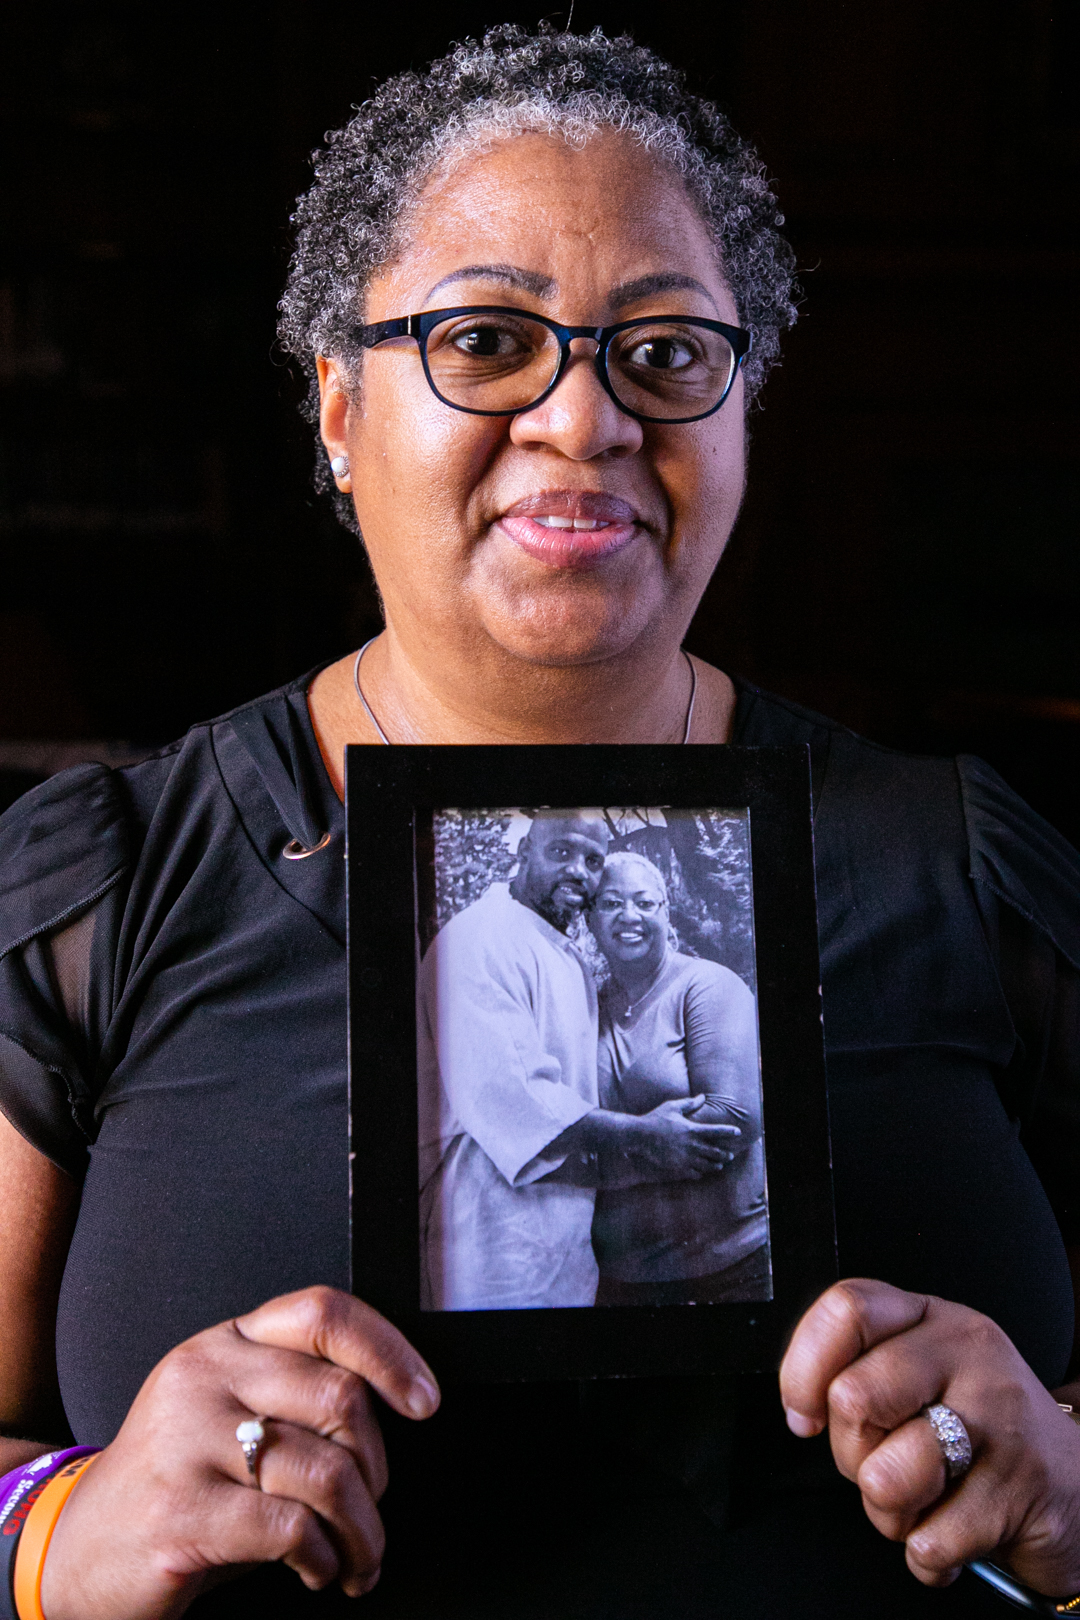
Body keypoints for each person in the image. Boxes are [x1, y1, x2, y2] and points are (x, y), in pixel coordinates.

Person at [0, 22, 1078, 1619]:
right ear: (338, 410)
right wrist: (60, 1533)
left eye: (664, 352)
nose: (583, 423)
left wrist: (1068, 1489)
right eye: (486, 341)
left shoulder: (965, 868)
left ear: (738, 414)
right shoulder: (109, 898)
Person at [418, 813, 739, 1310]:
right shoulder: (478, 940)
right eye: (561, 852)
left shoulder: (565, 955)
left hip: (571, 1251)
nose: (579, 872)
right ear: (523, 851)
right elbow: (515, 1099)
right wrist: (646, 1137)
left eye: (592, 860)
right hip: (491, 1246)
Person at [586, 851, 768, 1307]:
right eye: (610, 903)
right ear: (589, 918)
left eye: (645, 903)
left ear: (665, 913)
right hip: (622, 1282)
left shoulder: (707, 986)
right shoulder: (585, 1005)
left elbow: (734, 1118)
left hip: (729, 1272)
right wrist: (648, 1139)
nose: (630, 916)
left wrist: (602, 1160)